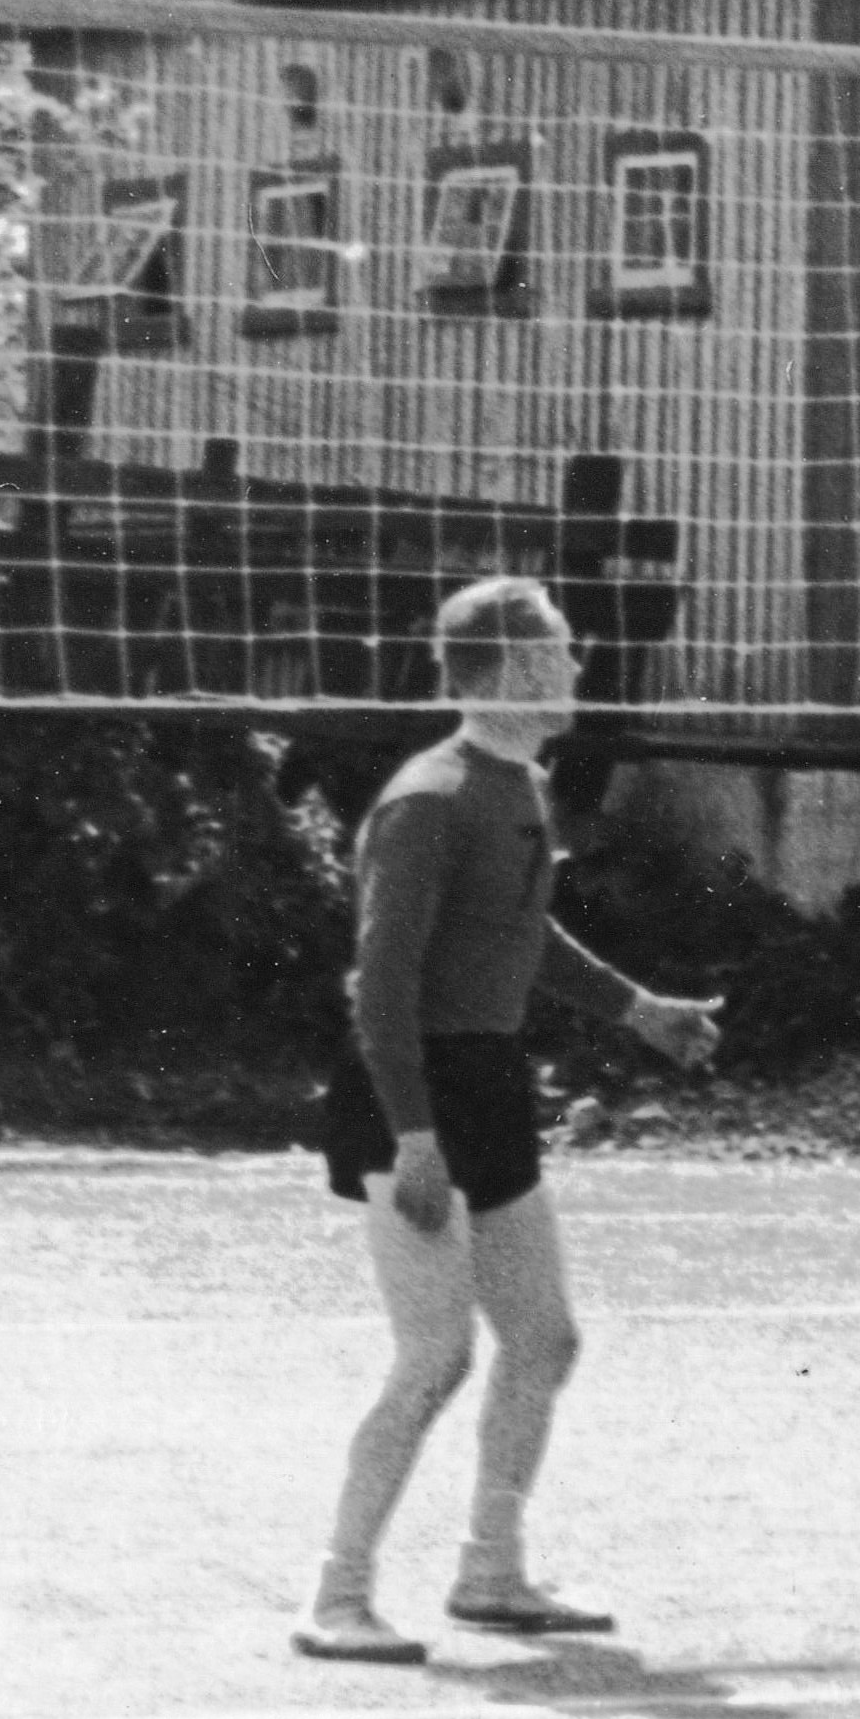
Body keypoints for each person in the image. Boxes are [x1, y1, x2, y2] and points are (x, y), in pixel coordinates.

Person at [297, 580, 722, 1662]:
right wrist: (415, 1134)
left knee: (543, 1338)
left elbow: (519, 937)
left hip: (486, 1081)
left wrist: (641, 1011)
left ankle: (490, 1573)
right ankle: (336, 1596)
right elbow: (378, 987)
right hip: (414, 1095)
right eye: (564, 652)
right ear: (513, 669)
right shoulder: (429, 797)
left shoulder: (517, 784)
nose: (579, 667)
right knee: (434, 1355)